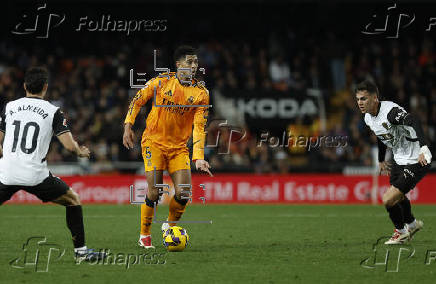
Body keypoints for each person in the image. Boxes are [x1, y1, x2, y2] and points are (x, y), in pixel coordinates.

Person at [0, 67, 106, 261]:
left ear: (24, 86)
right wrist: (80, 151)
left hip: (6, 172)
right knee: (73, 200)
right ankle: (81, 252)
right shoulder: (53, 111)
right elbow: (68, 145)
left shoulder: (10, 107)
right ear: (45, 87)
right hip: (35, 175)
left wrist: (6, 158)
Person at [123, 45, 212, 249]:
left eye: (196, 62)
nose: (194, 66)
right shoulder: (161, 82)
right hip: (153, 143)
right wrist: (128, 125)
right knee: (155, 192)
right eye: (190, 62)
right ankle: (144, 235)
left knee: (184, 193)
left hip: (179, 148)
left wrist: (198, 157)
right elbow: (138, 100)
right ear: (178, 64)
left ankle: (170, 227)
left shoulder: (201, 94)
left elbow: (199, 126)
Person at [355, 79, 432, 244]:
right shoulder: (368, 118)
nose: (360, 103)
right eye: (358, 99)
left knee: (388, 199)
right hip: (399, 158)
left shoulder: (390, 112)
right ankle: (412, 224)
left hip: (417, 159)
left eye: (364, 98)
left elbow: (414, 121)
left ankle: (401, 232)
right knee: (399, 196)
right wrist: (381, 159)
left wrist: (424, 148)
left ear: (375, 98)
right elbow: (381, 136)